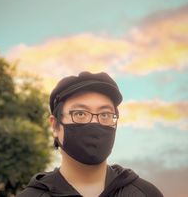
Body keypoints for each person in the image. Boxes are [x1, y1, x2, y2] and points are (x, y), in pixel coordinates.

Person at [17, 71, 164, 197]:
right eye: (80, 113)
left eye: (105, 114)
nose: (95, 123)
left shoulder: (145, 194)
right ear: (55, 125)